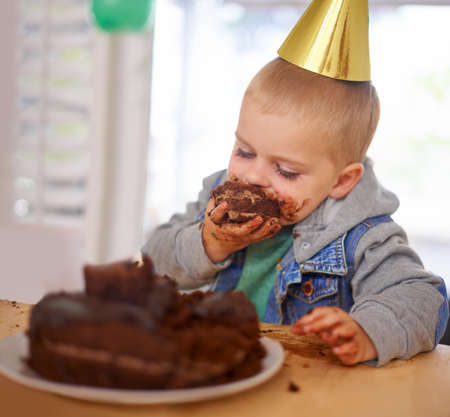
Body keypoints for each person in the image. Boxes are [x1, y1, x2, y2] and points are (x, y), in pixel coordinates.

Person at [142, 0, 449, 367]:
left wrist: (367, 331)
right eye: (244, 150)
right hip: (224, 370)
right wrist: (209, 241)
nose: (253, 176)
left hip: (314, 391)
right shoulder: (218, 207)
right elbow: (153, 259)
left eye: (285, 171)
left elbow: (423, 299)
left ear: (341, 181)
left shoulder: (362, 236)